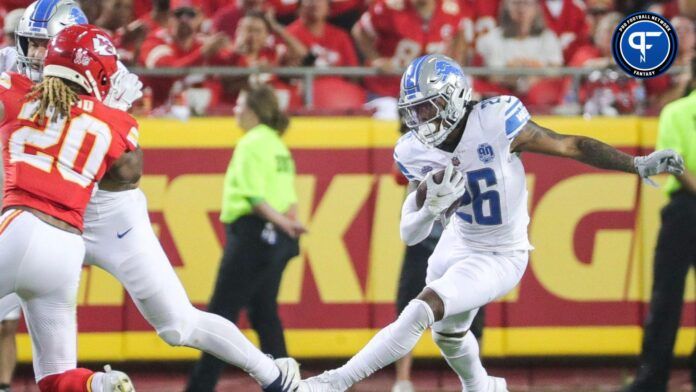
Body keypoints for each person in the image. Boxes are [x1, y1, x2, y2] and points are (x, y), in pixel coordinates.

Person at [298, 54, 684, 392]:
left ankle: (336, 381)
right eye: (414, 110)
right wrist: (431, 207)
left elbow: (570, 145)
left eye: (428, 108)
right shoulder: (414, 150)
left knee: (420, 311)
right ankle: (480, 385)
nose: (420, 120)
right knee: (448, 335)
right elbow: (410, 234)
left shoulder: (497, 120)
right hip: (456, 241)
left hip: (501, 253)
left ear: (453, 97)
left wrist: (634, 164)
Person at [1, 2, 304, 392]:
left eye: (48, 45)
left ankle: (274, 374)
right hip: (41, 214)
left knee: (178, 323)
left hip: (105, 213)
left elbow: (127, 173)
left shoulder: (109, 77)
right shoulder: (11, 67)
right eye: (31, 44)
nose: (37, 55)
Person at [0, 23, 140, 391]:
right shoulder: (113, 120)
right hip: (65, 250)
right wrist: (114, 110)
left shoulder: (16, 91)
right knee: (55, 379)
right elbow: (128, 175)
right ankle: (100, 385)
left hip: (20, 225)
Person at [186, 84, 306, 392]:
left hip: (253, 235)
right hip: (278, 240)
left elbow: (253, 197)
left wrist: (278, 222)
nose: (236, 111)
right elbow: (290, 201)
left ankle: (200, 388)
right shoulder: (278, 145)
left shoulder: (251, 143)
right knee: (264, 313)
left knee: (220, 317)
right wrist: (287, 226)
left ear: (253, 111)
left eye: (240, 105)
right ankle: (288, 384)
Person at [622, 58, 696, 392]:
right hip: (685, 210)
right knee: (666, 296)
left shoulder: (677, 111)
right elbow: (676, 164)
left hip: (682, 212)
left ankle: (651, 379)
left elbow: (674, 162)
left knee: (666, 298)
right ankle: (653, 378)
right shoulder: (679, 112)